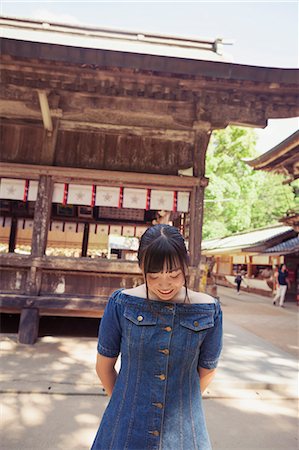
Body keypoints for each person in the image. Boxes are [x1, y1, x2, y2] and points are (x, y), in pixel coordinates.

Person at [91, 224, 223, 450]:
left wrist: (178, 406)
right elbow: (104, 367)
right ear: (141, 267)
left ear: (185, 265)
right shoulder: (121, 304)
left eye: (174, 275)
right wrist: (126, 406)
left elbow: (207, 370)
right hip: (124, 428)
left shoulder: (209, 309)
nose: (164, 285)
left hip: (183, 431)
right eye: (154, 276)